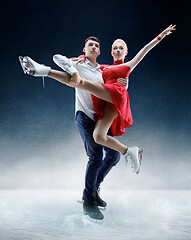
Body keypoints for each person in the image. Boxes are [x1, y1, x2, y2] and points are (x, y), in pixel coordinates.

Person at [19, 24, 176, 220]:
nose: (118, 49)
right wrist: (78, 60)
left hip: (116, 98)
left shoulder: (124, 66)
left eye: (122, 47)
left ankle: (42, 71)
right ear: (110, 52)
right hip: (99, 109)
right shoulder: (102, 68)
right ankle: (100, 185)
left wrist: (160, 35)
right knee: (100, 140)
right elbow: (90, 69)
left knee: (81, 85)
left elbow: (143, 52)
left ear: (126, 52)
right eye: (115, 47)